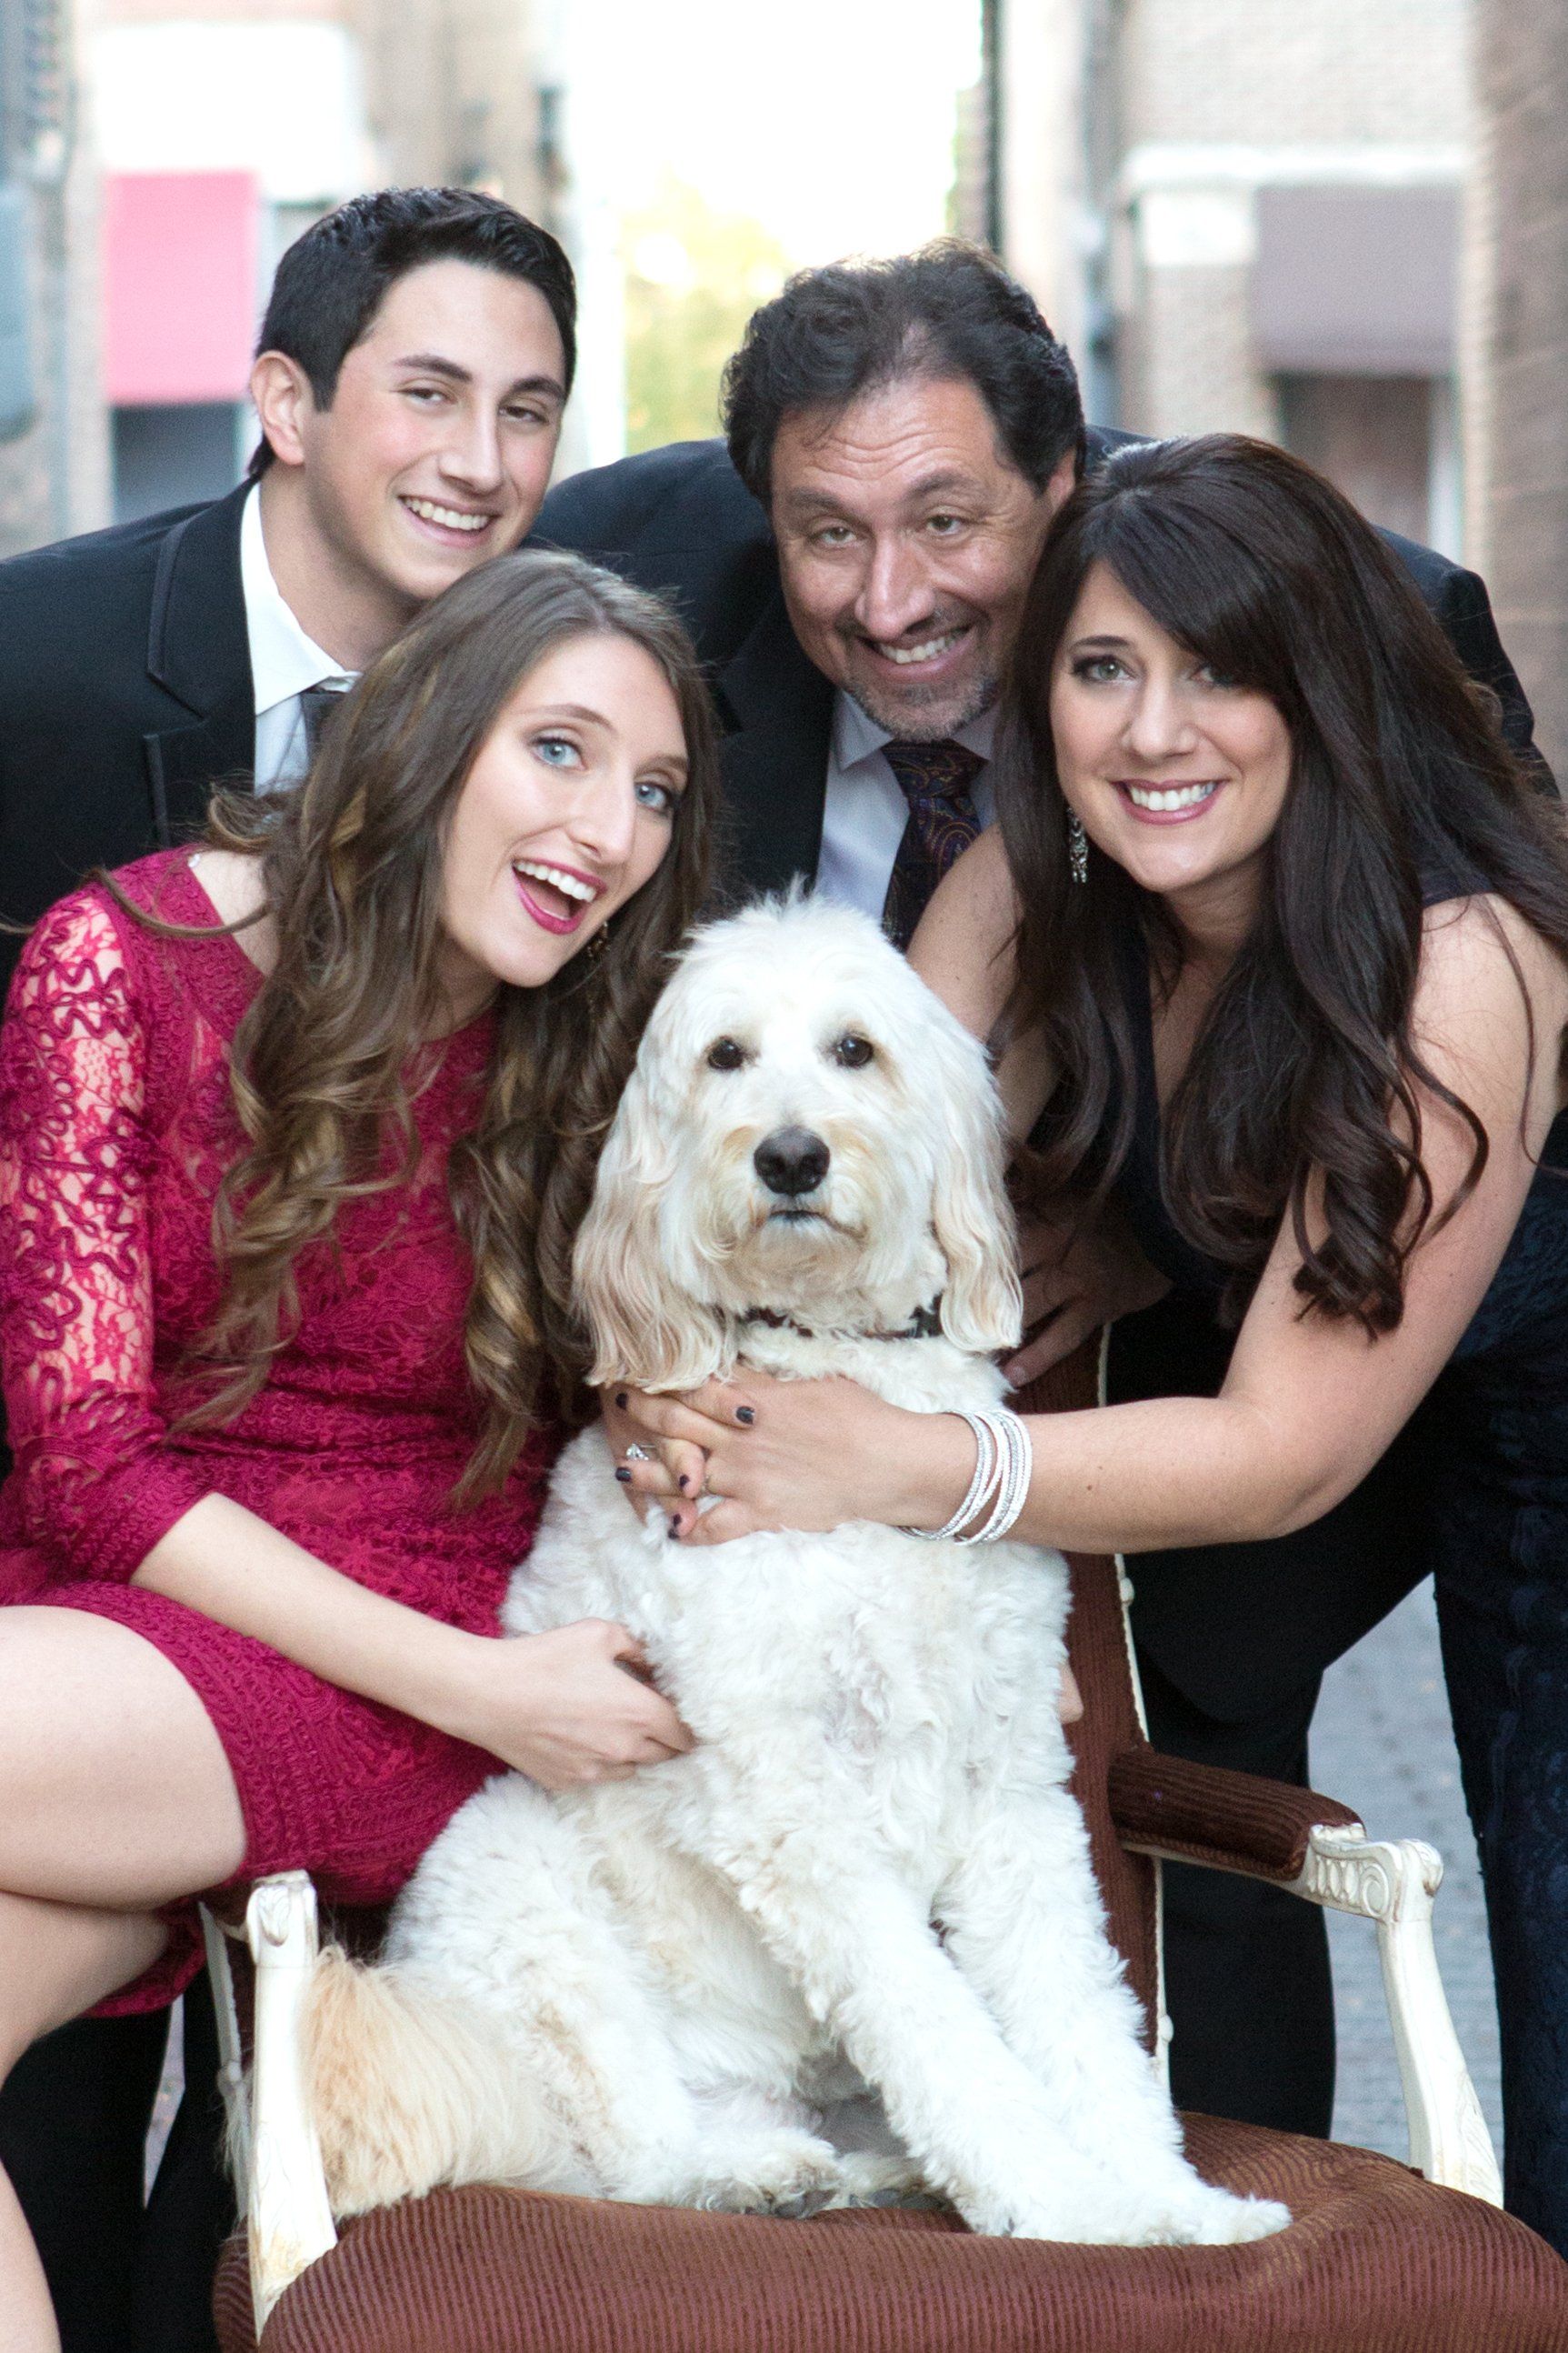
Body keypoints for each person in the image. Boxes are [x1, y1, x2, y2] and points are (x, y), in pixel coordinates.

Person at [538, 241, 1549, 2144]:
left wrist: (891, 1460)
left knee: (1551, 1861)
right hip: (1262, 1297)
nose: (1149, 727)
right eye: (1098, 675)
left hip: (1491, 1353)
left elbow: (1275, 1451)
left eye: (1211, 678)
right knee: (1181, 1674)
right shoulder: (1032, 829)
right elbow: (893, 1121)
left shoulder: (1456, 955)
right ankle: (1182, 2174)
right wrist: (689, 1378)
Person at [0, 546, 715, 2353]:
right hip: (156, 1608)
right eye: (558, 752)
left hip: (414, 1647)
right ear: (425, 731)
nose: (609, 828)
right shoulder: (124, 957)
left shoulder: (610, 1053)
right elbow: (85, 1459)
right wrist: (477, 1689)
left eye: (651, 791)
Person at [0, 183, 576, 2353]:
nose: (478, 453)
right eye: (425, 392)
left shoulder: (565, 777)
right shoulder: (35, 674)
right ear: (279, 403)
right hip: (75, 1522)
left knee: (228, 2227)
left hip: (358, 1591)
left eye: (527, 409)